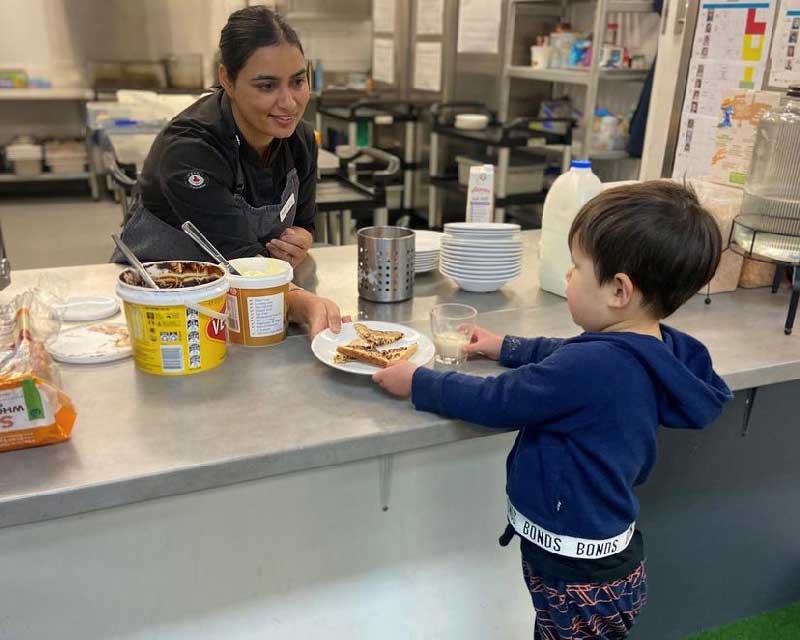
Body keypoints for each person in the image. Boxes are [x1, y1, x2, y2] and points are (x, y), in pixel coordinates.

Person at [373, 181, 733, 639]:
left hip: (575, 575)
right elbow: (570, 353)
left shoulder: (596, 364)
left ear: (619, 290)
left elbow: (501, 400)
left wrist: (418, 382)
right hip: (605, 563)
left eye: (577, 267)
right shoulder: (650, 345)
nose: (567, 276)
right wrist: (506, 345)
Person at [114, 6, 345, 337]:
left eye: (297, 81)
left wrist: (302, 239)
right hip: (164, 304)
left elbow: (304, 222)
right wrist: (300, 303)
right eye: (266, 86)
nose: (289, 103)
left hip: (250, 307)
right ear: (227, 79)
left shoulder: (300, 140)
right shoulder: (190, 148)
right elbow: (236, 255)